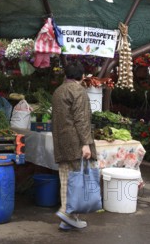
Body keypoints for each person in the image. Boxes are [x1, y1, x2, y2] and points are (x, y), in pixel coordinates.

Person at [51, 62, 97, 231]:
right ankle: (67, 213)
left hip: (61, 141)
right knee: (79, 179)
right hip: (76, 142)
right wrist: (86, 144)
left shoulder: (58, 91)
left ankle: (67, 219)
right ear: (82, 76)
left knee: (65, 178)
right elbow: (81, 119)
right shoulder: (79, 91)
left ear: (66, 75)